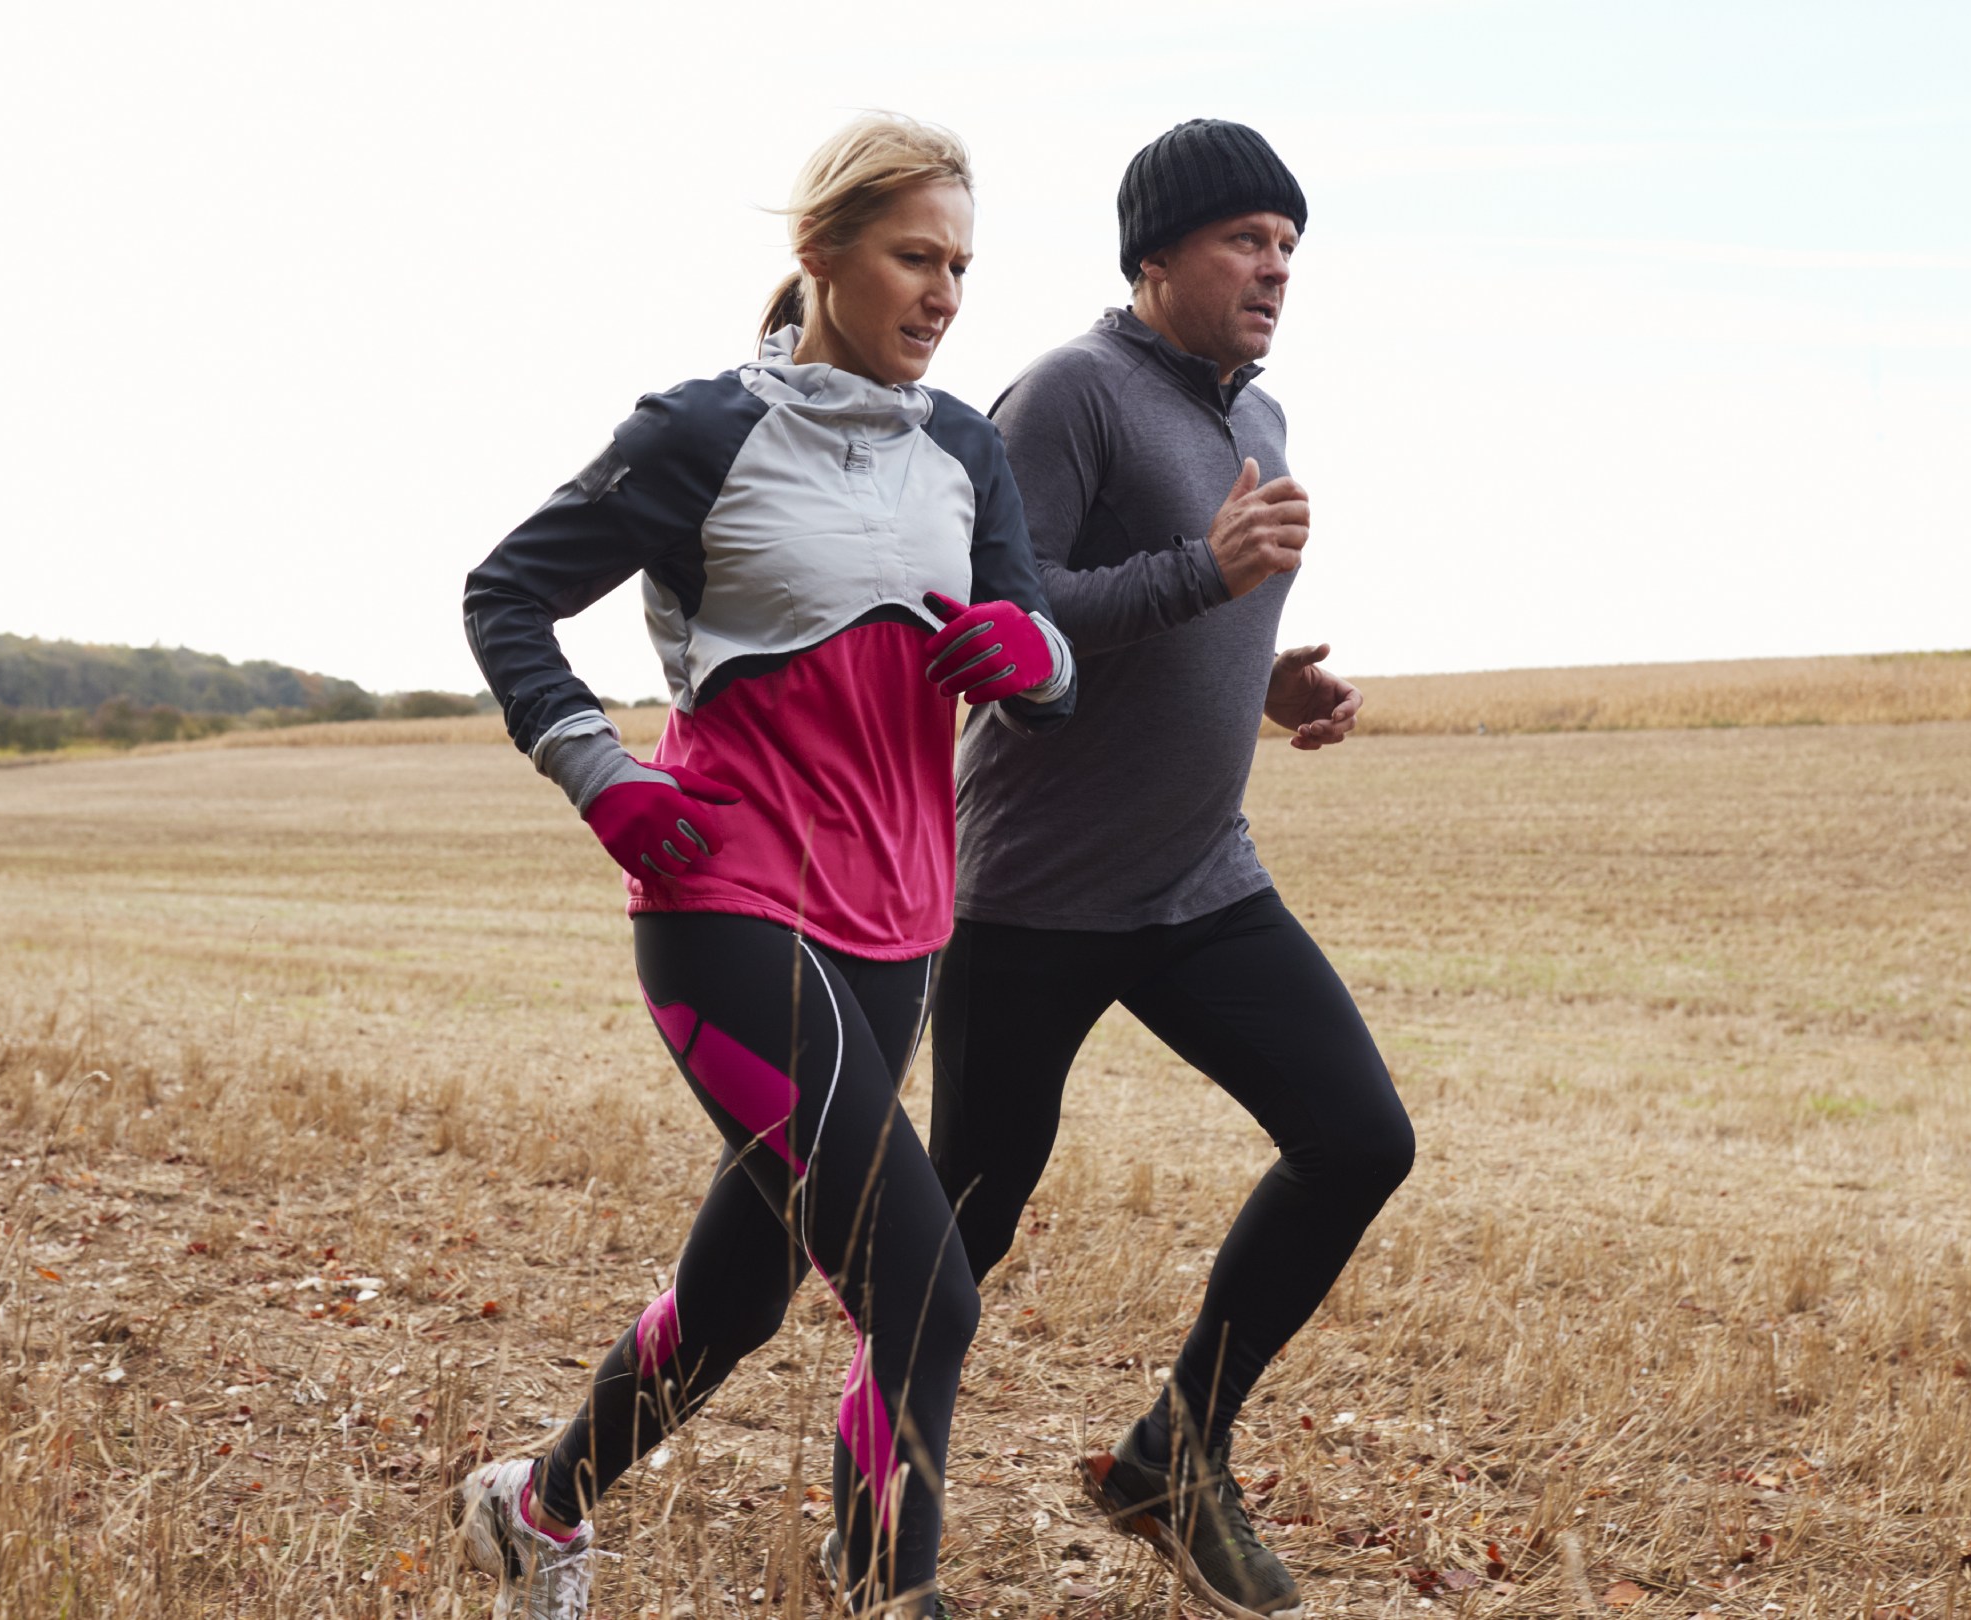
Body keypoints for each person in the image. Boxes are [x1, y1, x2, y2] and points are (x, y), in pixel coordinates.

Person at [455, 114, 1074, 1620]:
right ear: (820, 254)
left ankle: (536, 1507)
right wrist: (597, 770)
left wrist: (1033, 652)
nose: (944, 295)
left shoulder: (965, 446)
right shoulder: (701, 432)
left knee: (738, 1296)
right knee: (921, 1290)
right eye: (915, 257)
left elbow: (1043, 648)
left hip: (897, 928)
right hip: (724, 898)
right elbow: (506, 598)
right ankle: (886, 1599)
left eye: (963, 267)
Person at [930, 118, 1414, 1620]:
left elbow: (1180, 608)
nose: (1275, 266)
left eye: (1289, 244)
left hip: (1201, 882)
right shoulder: (1070, 393)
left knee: (1358, 1139)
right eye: (1243, 240)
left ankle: (1174, 1451)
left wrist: (1264, 679)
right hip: (1032, 897)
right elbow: (992, 622)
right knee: (960, 1227)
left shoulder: (1251, 420)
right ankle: (878, 1526)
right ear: (1154, 255)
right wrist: (1205, 575)